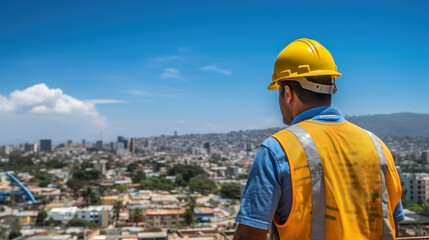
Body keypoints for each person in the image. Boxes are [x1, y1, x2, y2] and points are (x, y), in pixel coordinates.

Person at [233, 38, 404, 240]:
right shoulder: (377, 146)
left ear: (287, 93)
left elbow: (250, 235)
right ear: (332, 88)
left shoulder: (278, 149)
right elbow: (393, 223)